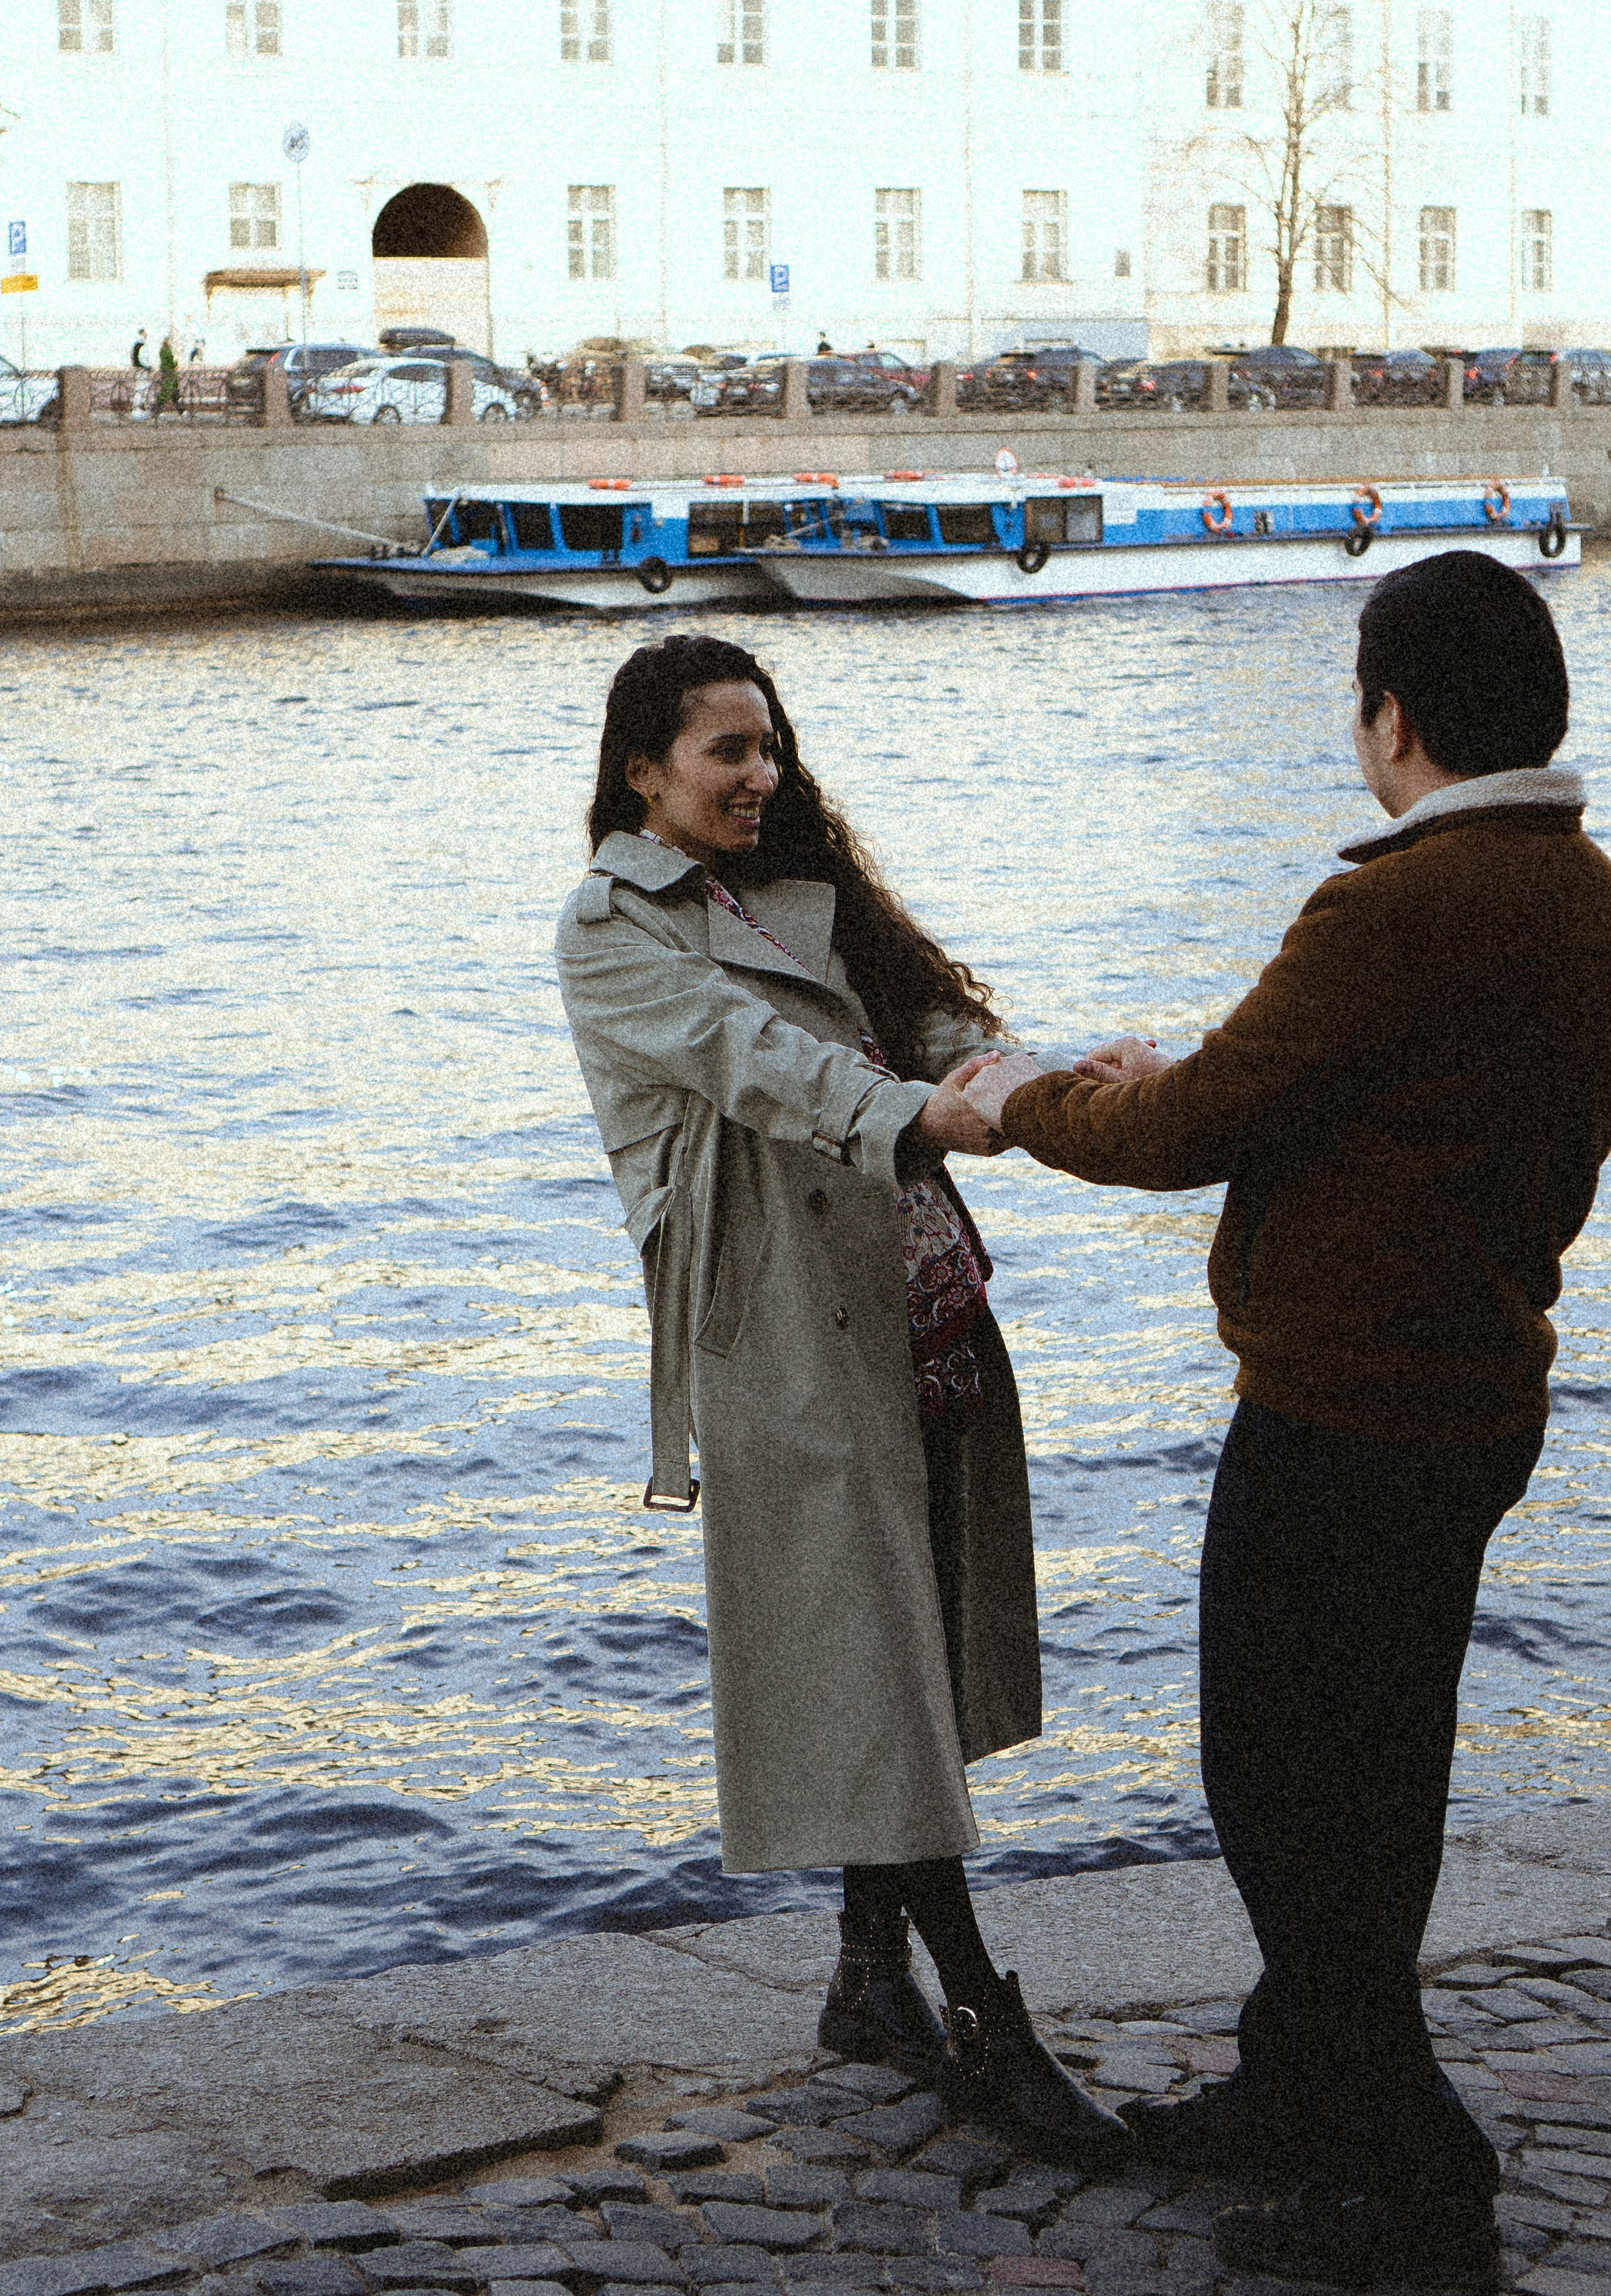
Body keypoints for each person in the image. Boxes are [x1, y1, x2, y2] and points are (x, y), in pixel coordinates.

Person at [963, 553, 1611, 2287]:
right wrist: (1188, 1082)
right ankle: (1296, 2079)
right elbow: (1380, 1099)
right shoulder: (1593, 901)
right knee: (1375, 1768)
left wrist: (1026, 1097)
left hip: (1346, 1401)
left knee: (1282, 1783)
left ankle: (1406, 2157)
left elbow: (1198, 1126)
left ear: (1391, 717)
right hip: (1471, 1384)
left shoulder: (1397, 905)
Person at [556, 632, 1127, 2169]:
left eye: (769, 748)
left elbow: (926, 1014)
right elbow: (757, 1066)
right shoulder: (609, 930)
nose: (758, 775)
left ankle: (865, 1987)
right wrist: (921, 1114)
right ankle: (988, 2027)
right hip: (785, 1342)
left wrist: (1033, 1081)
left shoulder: (817, 891)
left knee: (915, 1654)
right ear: (640, 771)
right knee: (880, 1675)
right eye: (724, 752)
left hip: (921, 1299)